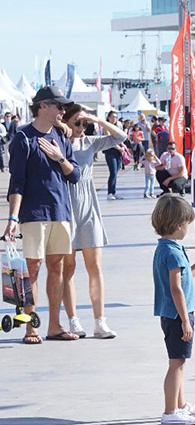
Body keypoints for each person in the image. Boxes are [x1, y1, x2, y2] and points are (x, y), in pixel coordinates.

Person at [3, 86, 82, 344]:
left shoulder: (61, 136)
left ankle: (55, 325)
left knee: (56, 268)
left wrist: (60, 158)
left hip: (61, 211)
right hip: (34, 213)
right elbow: (17, 183)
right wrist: (13, 218)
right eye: (59, 106)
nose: (63, 111)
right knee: (32, 270)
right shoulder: (23, 139)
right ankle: (30, 327)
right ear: (43, 106)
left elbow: (75, 175)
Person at [60, 104, 127, 340]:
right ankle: (73, 320)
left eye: (83, 123)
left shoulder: (91, 142)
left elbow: (121, 136)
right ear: (66, 121)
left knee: (95, 267)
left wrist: (96, 119)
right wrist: (62, 127)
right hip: (66, 205)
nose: (81, 127)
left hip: (89, 206)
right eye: (76, 122)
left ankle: (100, 321)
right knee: (68, 268)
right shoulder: (59, 143)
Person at [151, 195, 195, 425]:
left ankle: (180, 405)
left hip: (172, 313)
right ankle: (169, 412)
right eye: (187, 223)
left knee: (179, 361)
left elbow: (185, 280)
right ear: (178, 225)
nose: (188, 228)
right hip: (178, 315)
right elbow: (177, 289)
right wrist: (186, 320)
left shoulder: (166, 248)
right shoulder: (174, 253)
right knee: (176, 363)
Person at [101, 110, 125, 200]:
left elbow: (120, 138)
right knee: (113, 172)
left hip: (118, 151)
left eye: (116, 117)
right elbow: (109, 140)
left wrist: (123, 146)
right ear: (108, 117)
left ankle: (113, 192)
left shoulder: (117, 126)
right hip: (110, 151)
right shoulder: (106, 127)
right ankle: (110, 193)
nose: (114, 118)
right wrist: (118, 147)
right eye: (112, 117)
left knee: (116, 172)